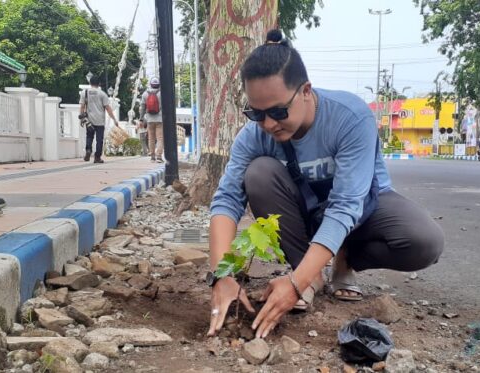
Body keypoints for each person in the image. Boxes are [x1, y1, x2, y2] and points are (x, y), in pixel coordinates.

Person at [206, 30, 444, 340]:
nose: (268, 124)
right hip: (304, 211)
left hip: (362, 209)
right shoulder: (254, 135)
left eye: (278, 112)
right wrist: (221, 276)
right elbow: (226, 200)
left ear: (305, 90)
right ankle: (311, 273)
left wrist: (293, 284)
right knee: (258, 174)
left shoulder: (350, 117)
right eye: (256, 113)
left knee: (424, 241)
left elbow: (346, 205)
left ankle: (343, 259)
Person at [79, 76, 120, 163]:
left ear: (90, 83)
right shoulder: (102, 94)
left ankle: (88, 150)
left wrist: (81, 118)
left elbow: (82, 106)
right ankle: (97, 157)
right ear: (99, 84)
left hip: (89, 120)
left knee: (89, 136)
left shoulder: (84, 93)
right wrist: (114, 119)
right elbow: (108, 108)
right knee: (99, 139)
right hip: (100, 121)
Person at [140, 78, 164, 163]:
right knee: (160, 138)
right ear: (159, 84)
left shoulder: (145, 94)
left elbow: (142, 107)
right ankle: (159, 157)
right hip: (160, 119)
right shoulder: (162, 93)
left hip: (150, 119)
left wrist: (141, 118)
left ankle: (152, 157)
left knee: (151, 138)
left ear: (150, 84)